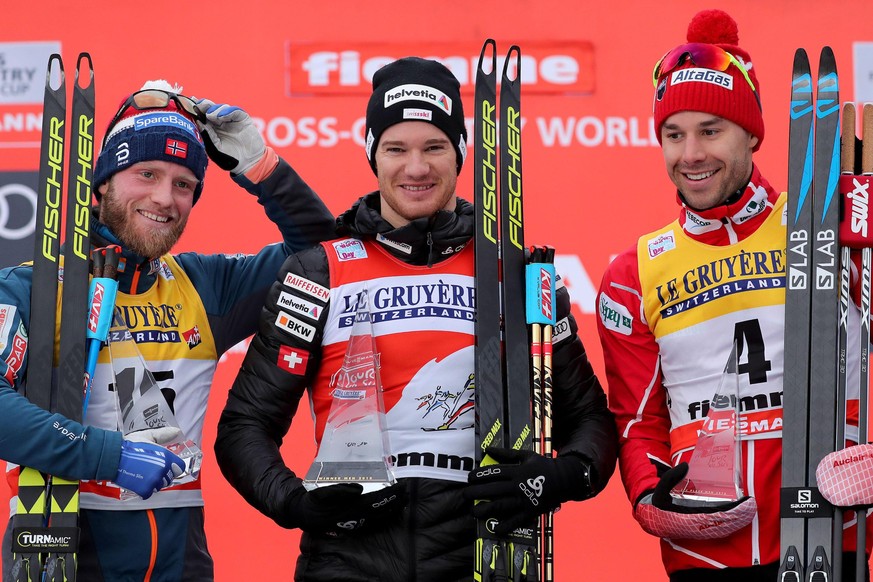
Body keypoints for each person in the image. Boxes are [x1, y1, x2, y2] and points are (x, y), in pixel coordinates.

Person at [214, 56, 617, 581]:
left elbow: (591, 423)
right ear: (372, 156)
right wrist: (293, 504)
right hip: (346, 560)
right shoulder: (320, 271)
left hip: (483, 553)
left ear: (461, 154)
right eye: (396, 148)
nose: (416, 168)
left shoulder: (515, 272)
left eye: (434, 147)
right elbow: (245, 426)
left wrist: (558, 478)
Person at [0, 80, 336, 581]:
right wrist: (110, 457)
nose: (165, 198)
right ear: (101, 187)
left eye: (184, 184)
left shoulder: (205, 285)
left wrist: (262, 168)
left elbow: (322, 255)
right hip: (67, 554)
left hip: (183, 563)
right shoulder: (29, 287)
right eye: (147, 173)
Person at [595, 9, 872, 582]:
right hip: (709, 546)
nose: (691, 154)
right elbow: (636, 421)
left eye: (711, 130)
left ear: (752, 132)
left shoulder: (830, 228)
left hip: (829, 524)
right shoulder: (634, 273)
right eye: (674, 134)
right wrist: (651, 499)